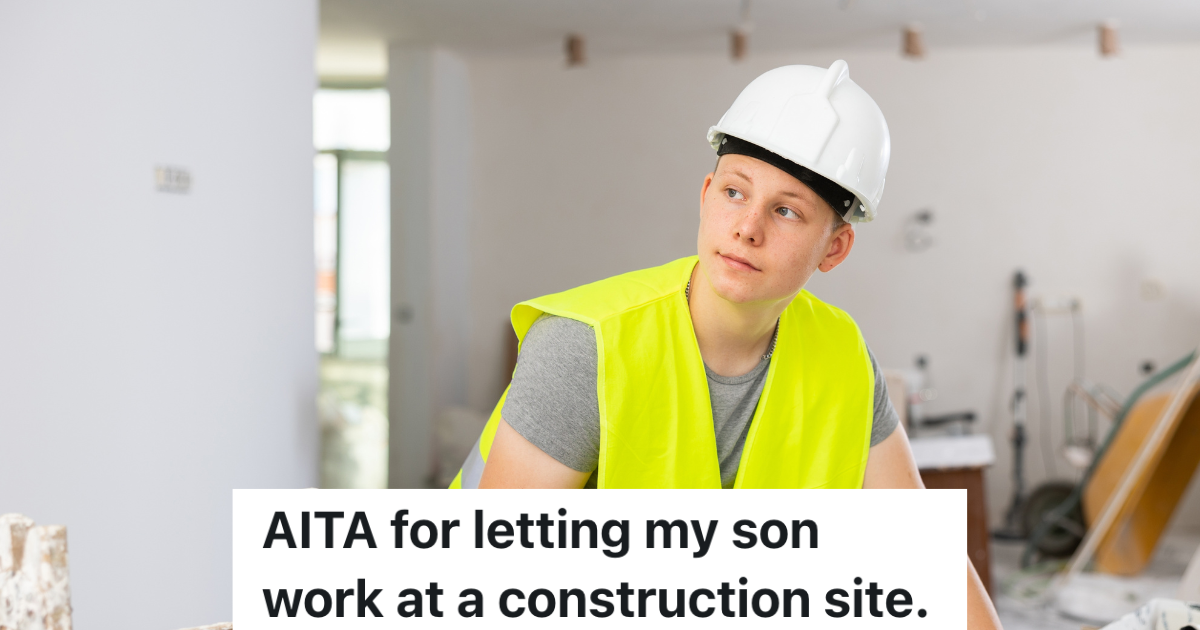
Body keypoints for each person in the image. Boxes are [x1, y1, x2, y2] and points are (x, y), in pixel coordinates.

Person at [451, 60, 1002, 629]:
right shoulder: (586, 347)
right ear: (706, 195)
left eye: (786, 210)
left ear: (834, 249)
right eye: (735, 192)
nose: (747, 228)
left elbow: (932, 568)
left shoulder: (841, 355)